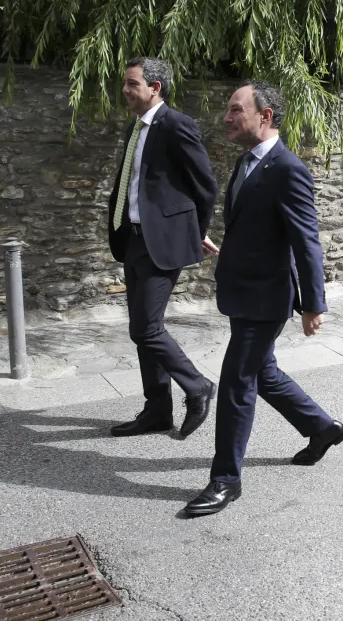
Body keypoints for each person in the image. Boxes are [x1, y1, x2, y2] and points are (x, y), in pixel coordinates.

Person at [184, 79, 343, 516]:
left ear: (265, 116)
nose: (227, 117)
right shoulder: (246, 162)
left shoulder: (289, 168)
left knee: (238, 380)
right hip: (244, 289)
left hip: (267, 297)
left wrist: (314, 304)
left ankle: (225, 480)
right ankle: (322, 428)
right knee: (264, 372)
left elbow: (306, 240)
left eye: (236, 109)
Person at [107, 56, 219, 439]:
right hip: (133, 239)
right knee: (141, 328)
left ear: (155, 87)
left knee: (146, 327)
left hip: (162, 242)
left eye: (132, 84)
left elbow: (205, 186)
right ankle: (157, 410)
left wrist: (195, 231)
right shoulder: (135, 129)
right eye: (125, 83)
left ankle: (198, 385)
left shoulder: (177, 125)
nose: (125, 90)